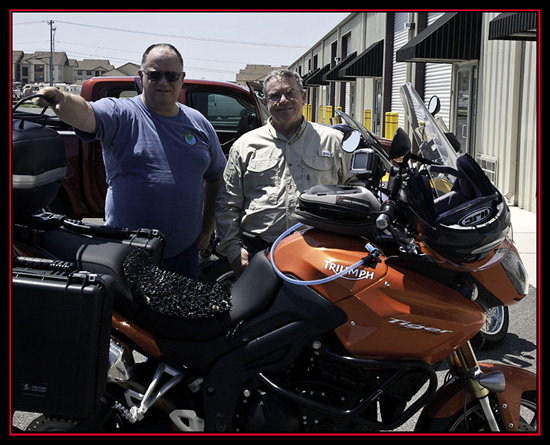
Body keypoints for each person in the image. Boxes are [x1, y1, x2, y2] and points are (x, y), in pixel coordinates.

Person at [36, 43, 226, 279]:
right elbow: (86, 113)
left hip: (183, 254)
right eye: (154, 75)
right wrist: (62, 99)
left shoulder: (198, 122)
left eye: (171, 75)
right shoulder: (121, 113)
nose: (163, 82)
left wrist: (207, 227)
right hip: (126, 251)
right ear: (141, 76)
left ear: (182, 78)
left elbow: (216, 175)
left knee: (180, 315)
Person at [215, 69, 355, 277]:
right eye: (275, 95)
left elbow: (354, 192)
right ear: (265, 100)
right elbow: (227, 204)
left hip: (320, 255)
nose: (283, 100)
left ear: (303, 96)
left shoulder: (333, 141)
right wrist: (235, 252)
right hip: (260, 256)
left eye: (290, 93)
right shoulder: (245, 145)